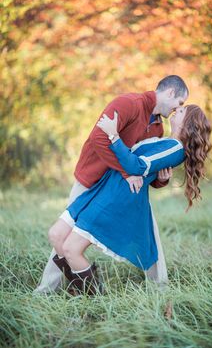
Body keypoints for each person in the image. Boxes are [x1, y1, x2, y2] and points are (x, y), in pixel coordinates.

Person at [34, 75, 189, 294]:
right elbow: (99, 138)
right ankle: (52, 289)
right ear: (171, 92)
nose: (177, 109)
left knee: (149, 232)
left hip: (119, 190)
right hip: (92, 179)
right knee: (62, 235)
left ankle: (160, 288)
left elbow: (145, 171)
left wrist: (161, 180)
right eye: (179, 102)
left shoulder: (158, 128)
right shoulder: (127, 103)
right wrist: (127, 173)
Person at [48, 104, 212, 296]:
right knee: (56, 234)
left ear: (188, 123)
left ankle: (93, 300)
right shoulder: (166, 141)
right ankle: (78, 288)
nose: (177, 110)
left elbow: (137, 166)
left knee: (71, 249)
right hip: (104, 187)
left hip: (116, 198)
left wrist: (113, 135)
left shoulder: (175, 149)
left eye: (182, 111)